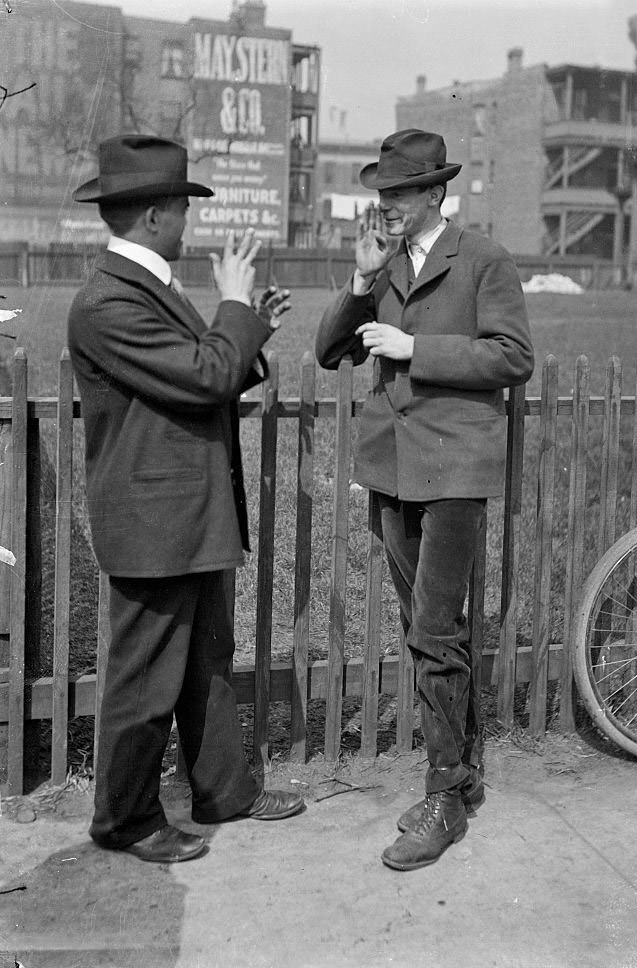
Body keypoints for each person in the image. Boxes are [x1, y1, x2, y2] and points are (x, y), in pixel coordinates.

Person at [69, 134, 303, 864]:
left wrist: (247, 322)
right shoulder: (108, 302)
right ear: (155, 215)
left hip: (186, 517)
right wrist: (233, 304)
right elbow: (204, 378)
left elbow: (207, 369)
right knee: (145, 682)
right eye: (181, 208)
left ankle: (223, 791)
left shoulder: (148, 288)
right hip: (154, 523)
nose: (187, 223)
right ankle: (125, 821)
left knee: (206, 660)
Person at [316, 129, 534, 872]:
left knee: (435, 627)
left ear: (435, 194)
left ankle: (442, 796)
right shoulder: (381, 266)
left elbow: (512, 356)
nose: (389, 208)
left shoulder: (481, 261)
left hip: (453, 467)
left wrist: (417, 350)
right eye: (382, 196)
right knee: (426, 626)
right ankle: (461, 775)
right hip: (392, 468)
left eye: (401, 195)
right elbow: (326, 351)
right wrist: (356, 280)